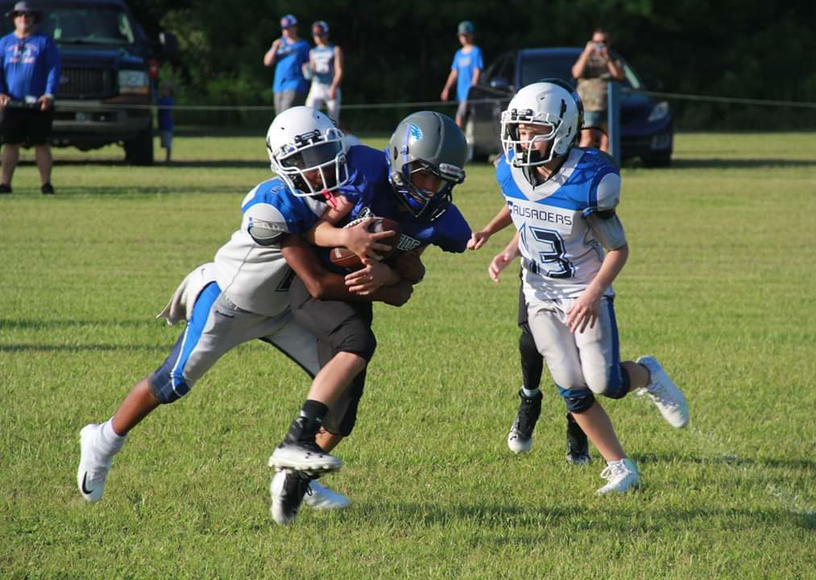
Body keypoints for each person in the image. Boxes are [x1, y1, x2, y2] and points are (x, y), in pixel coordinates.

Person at [76, 107, 409, 513]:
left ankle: (297, 479)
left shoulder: (347, 185)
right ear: (281, 166)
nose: (317, 168)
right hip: (229, 304)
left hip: (284, 311)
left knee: (340, 387)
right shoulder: (271, 202)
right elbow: (301, 240)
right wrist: (361, 257)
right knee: (172, 382)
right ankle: (104, 438)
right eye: (302, 161)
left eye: (323, 152)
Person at [487, 80, 689, 494]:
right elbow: (524, 206)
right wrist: (505, 247)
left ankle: (647, 374)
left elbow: (618, 249)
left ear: (561, 131)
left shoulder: (589, 180)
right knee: (571, 388)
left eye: (532, 132)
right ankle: (621, 468)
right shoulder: (511, 171)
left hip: (583, 290)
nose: (521, 141)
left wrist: (593, 294)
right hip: (539, 291)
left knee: (605, 384)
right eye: (519, 131)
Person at [270, 111, 473, 524]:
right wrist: (348, 236)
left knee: (344, 417)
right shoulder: (363, 172)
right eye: (423, 175)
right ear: (399, 158)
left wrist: (389, 272)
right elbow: (312, 233)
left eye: (441, 180)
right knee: (358, 343)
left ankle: (293, 478)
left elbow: (404, 288)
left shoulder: (442, 221)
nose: (431, 188)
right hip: (319, 280)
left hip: (357, 297)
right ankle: (298, 438)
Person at [468, 206, 592, 466]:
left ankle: (579, 423)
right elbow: (524, 209)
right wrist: (500, 241)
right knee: (532, 337)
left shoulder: (582, 174)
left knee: (579, 348)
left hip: (578, 273)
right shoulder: (519, 170)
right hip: (537, 272)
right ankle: (530, 399)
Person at [0, 1, 59, 195]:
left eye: (27, 15)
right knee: (10, 143)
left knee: (41, 143)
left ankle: (46, 184)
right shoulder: (4, 43)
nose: (23, 19)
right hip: (12, 102)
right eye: (19, 16)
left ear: (34, 18)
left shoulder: (44, 42)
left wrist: (49, 94)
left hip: (38, 103)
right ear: (14, 19)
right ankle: (5, 184)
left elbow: (53, 69)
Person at [571, 28, 625, 154]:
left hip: (608, 106)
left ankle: (605, 165)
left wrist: (606, 58)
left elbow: (620, 76)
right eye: (596, 42)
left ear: (609, 43)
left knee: (607, 140)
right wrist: (586, 52)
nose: (600, 45)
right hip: (589, 106)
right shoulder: (586, 58)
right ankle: (584, 164)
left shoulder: (612, 58)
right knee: (587, 138)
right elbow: (576, 73)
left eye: (604, 42)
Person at [439, 20, 483, 130]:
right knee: (462, 118)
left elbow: (477, 71)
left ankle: (463, 140)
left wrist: (472, 89)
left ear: (471, 35)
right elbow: (454, 72)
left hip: (471, 94)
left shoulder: (476, 52)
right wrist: (446, 89)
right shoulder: (458, 54)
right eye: (461, 35)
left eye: (465, 35)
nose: (463, 38)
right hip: (461, 93)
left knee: (461, 117)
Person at [263, 14, 310, 114]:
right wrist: (274, 47)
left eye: (288, 28)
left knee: (286, 112)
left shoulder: (303, 45)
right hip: (279, 84)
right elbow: (267, 62)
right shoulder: (279, 44)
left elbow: (309, 64)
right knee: (279, 115)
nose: (286, 31)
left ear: (295, 27)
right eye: (284, 29)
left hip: (295, 83)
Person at [305, 20, 343, 123]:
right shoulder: (313, 51)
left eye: (321, 35)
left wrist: (334, 87)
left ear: (326, 34)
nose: (318, 38)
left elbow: (339, 70)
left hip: (330, 85)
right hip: (317, 85)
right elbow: (311, 73)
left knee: (333, 118)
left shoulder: (334, 49)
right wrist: (307, 71)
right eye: (316, 35)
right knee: (308, 113)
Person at [157, 82, 175, 163]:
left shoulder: (169, 101)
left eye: (165, 90)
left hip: (167, 126)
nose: (163, 92)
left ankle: (168, 159)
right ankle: (167, 158)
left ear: (169, 92)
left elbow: (158, 103)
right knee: (164, 143)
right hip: (162, 125)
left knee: (168, 144)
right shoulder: (163, 100)